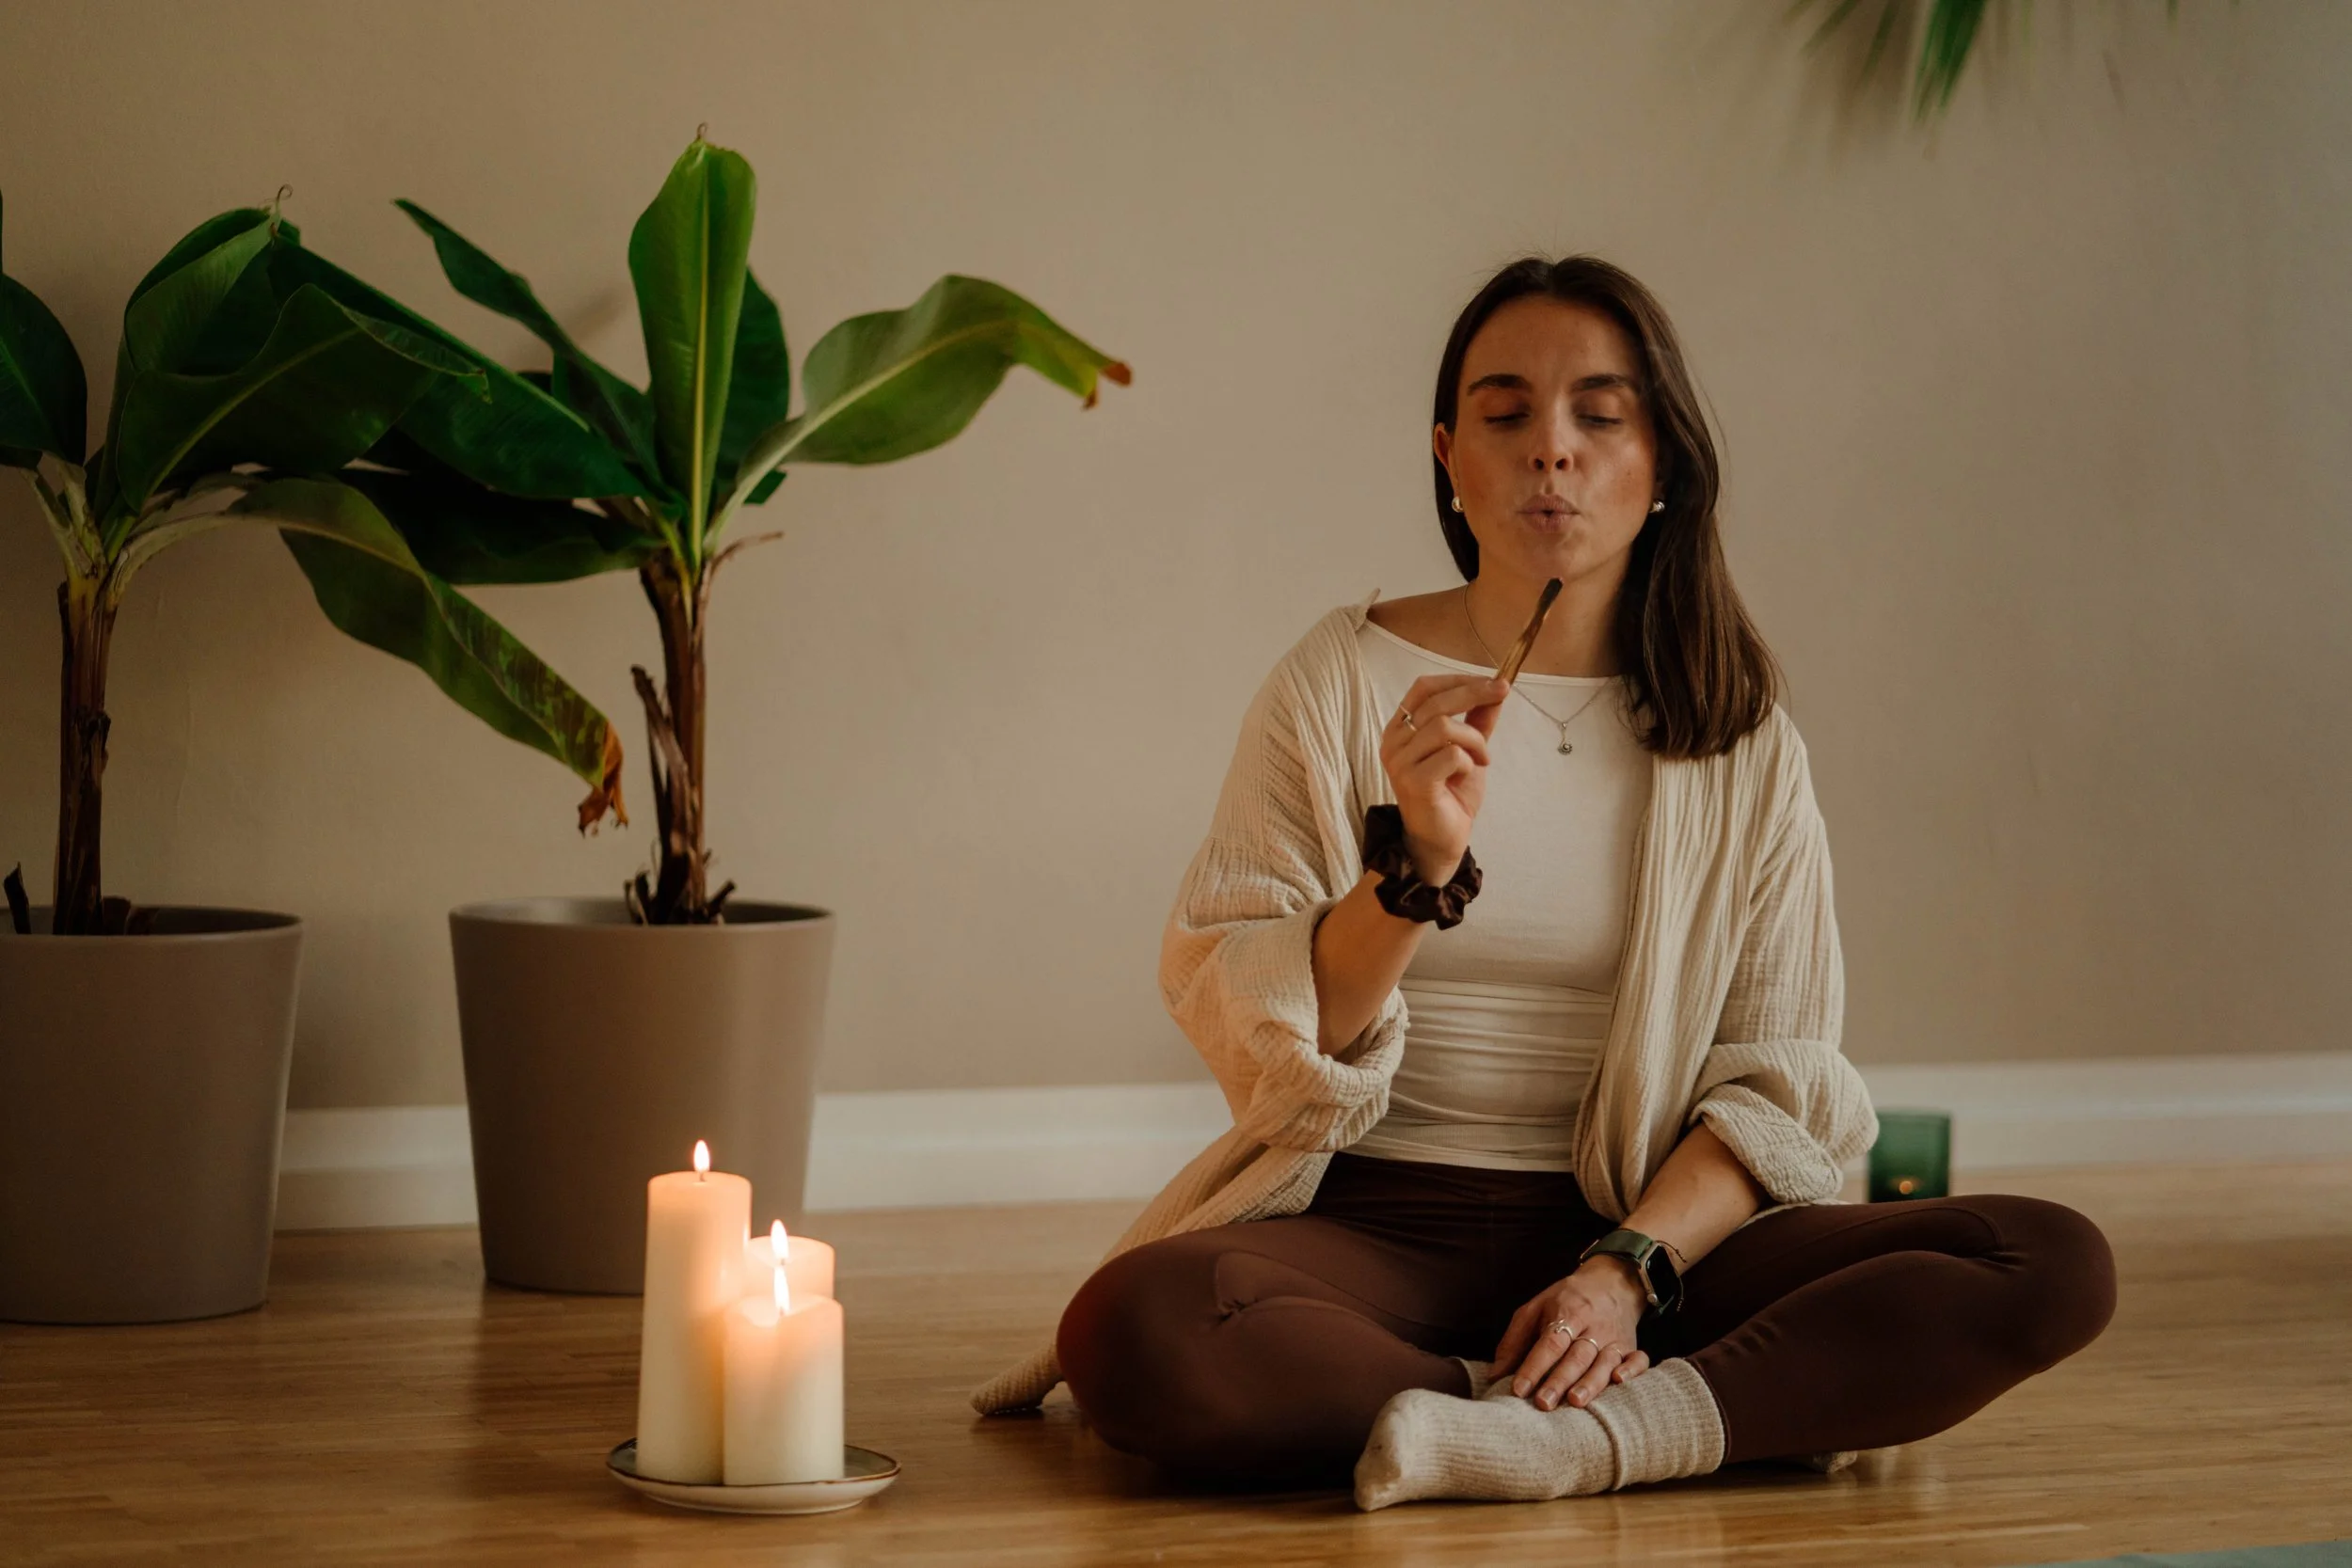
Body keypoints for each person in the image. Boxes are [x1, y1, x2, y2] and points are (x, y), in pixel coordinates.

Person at [970, 256, 2117, 1510]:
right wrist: (1415, 872)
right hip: (1375, 1229)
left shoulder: (1742, 735)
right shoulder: (1337, 681)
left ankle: (1564, 1435)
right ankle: (1588, 1399)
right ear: (1451, 457)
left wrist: (1623, 1270)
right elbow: (1259, 1043)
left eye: (1598, 416)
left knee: (2045, 1259)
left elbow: (1779, 1075)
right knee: (1139, 1328)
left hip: (1650, 1228)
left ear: (1663, 460)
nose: (1550, 452)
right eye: (1507, 415)